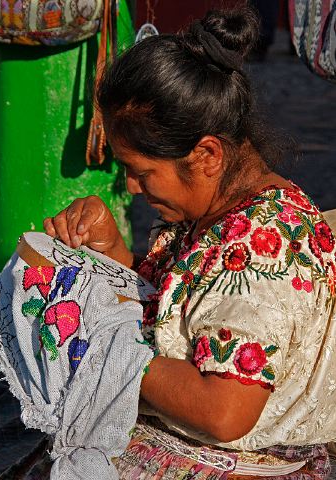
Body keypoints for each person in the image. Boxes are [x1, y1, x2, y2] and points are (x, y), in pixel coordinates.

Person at [44, 6, 336, 479]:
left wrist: (105, 348)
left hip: (240, 463)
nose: (132, 188)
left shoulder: (260, 247)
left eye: (141, 172)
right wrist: (114, 255)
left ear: (206, 154)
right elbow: (188, 308)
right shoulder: (216, 212)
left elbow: (223, 412)